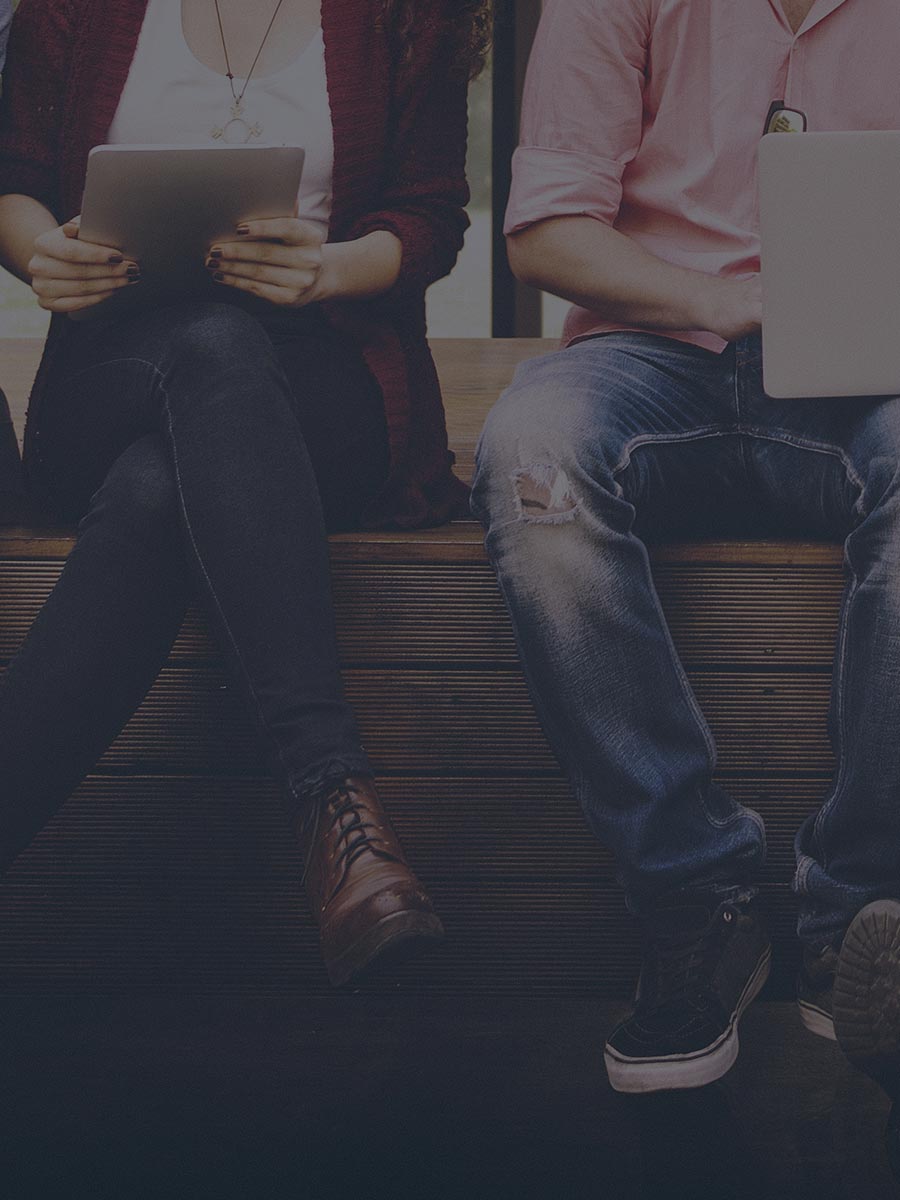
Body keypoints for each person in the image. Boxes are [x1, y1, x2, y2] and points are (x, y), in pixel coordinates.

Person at [0, 0, 489, 988]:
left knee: (157, 483)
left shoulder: (405, 12)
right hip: (112, 368)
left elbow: (431, 218)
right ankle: (335, 806)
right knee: (206, 354)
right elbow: (14, 182)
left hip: (321, 377)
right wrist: (43, 253)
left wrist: (328, 268)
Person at [472, 0, 900, 1105]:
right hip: (651, 352)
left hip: (865, 373)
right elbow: (545, 230)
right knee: (531, 456)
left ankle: (863, 915)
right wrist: (720, 297)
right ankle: (694, 899)